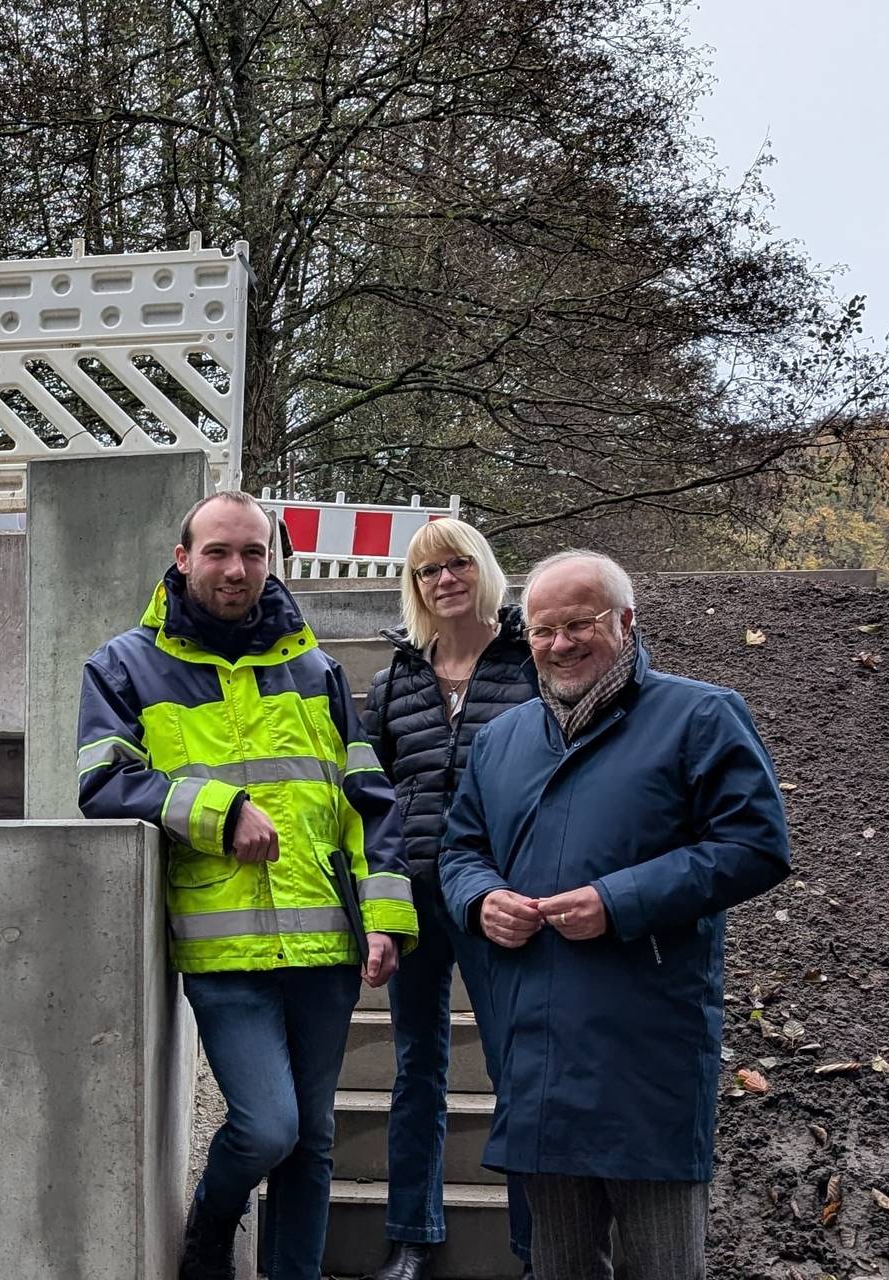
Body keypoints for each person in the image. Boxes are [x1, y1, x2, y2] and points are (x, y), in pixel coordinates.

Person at [77, 491, 420, 1280]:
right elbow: (101, 782)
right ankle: (212, 1225)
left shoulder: (318, 669)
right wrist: (217, 810)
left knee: (315, 1138)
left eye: (255, 554)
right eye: (220, 552)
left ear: (272, 561)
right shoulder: (124, 665)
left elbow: (368, 802)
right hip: (223, 949)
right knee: (269, 1128)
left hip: (326, 948)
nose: (238, 569)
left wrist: (384, 920)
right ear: (183, 558)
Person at [438, 551, 793, 1279]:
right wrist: (480, 900)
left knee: (664, 1266)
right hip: (534, 1051)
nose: (560, 644)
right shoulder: (500, 741)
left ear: (626, 622)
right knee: (558, 1267)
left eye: (580, 624)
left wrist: (618, 901)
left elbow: (757, 845)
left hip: (646, 1054)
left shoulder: (700, 715)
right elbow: (459, 849)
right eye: (543, 630)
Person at [361, 518, 539, 1280]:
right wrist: (378, 903)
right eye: (429, 570)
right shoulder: (397, 677)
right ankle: (412, 1237)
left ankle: (539, 1246)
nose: (445, 580)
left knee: (518, 1070)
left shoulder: (531, 660)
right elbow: (370, 798)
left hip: (502, 894)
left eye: (458, 563)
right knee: (417, 1069)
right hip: (417, 901)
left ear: (484, 569)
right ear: (416, 585)